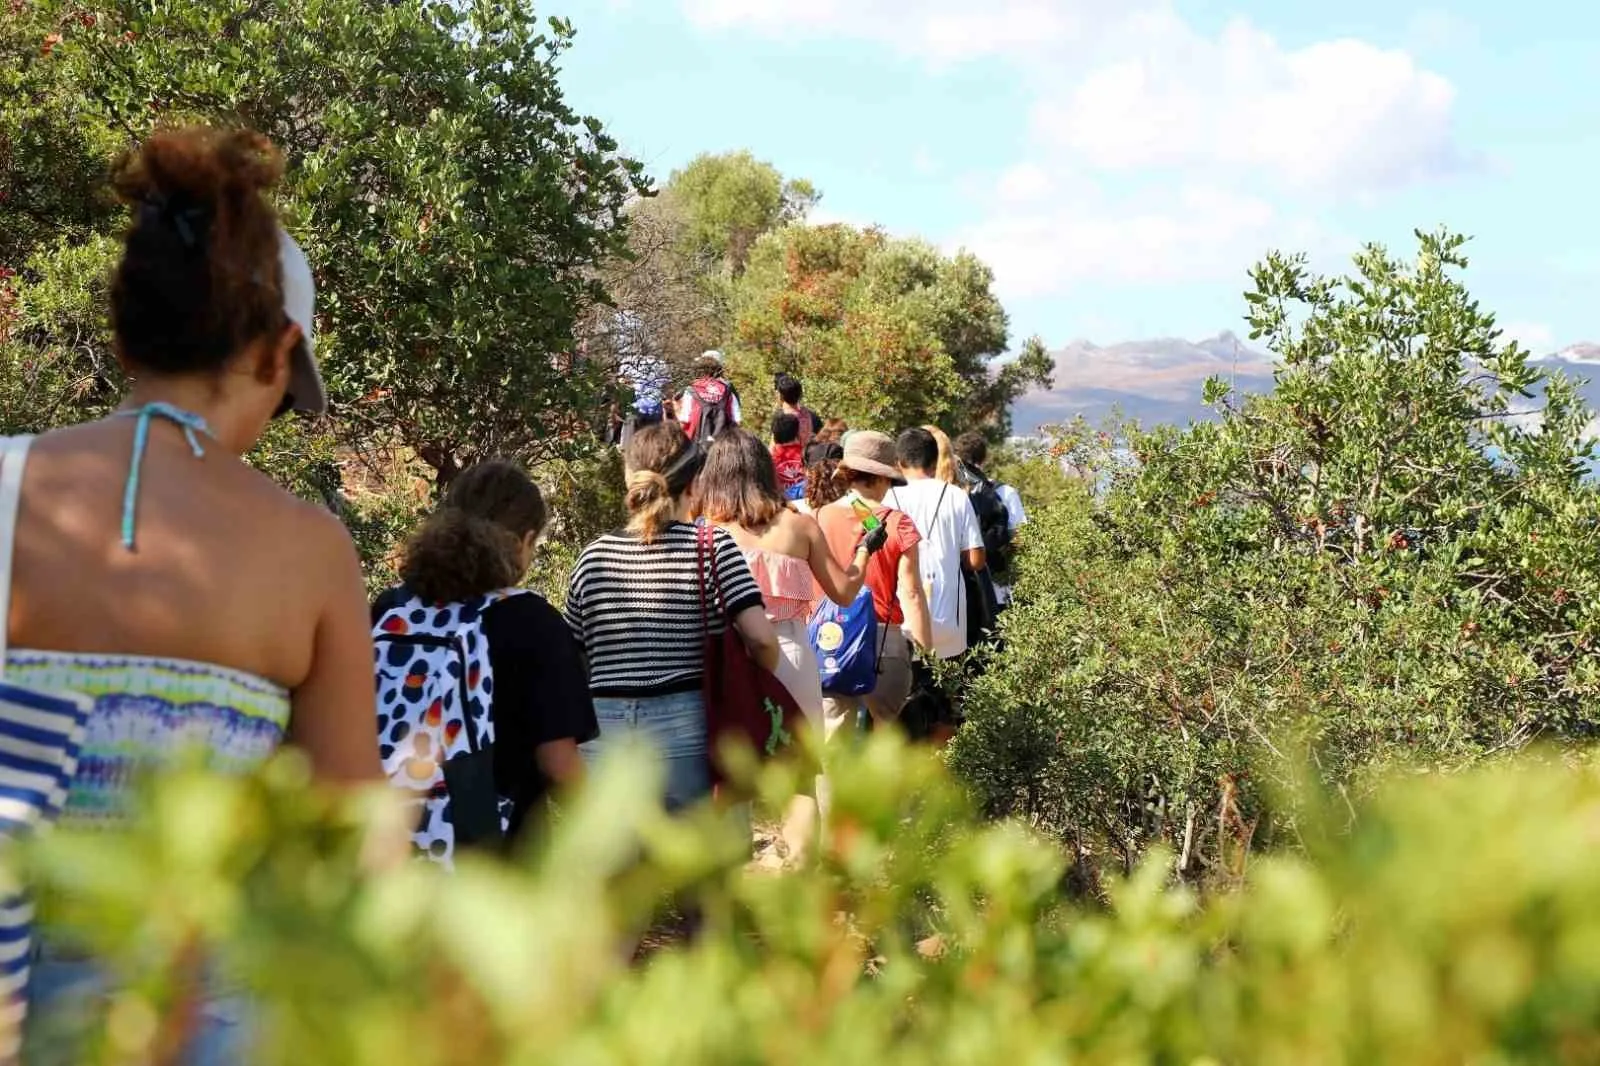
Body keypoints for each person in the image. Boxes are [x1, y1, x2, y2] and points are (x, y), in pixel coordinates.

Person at [6, 126, 380, 1064]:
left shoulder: (9, 493)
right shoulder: (311, 551)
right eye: (287, 394)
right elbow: (350, 845)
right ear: (274, 350)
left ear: (128, 324)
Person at [371, 461, 595, 864]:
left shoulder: (391, 608)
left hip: (385, 838)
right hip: (494, 856)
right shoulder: (531, 621)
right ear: (525, 541)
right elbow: (558, 761)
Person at [565, 423, 779, 813]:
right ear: (695, 485)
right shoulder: (713, 547)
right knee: (695, 860)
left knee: (620, 866)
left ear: (629, 481)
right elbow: (761, 639)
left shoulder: (593, 555)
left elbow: (574, 654)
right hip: (686, 721)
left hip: (604, 726)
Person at [696, 428, 884, 860]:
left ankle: (732, 875)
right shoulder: (800, 527)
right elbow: (842, 591)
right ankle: (802, 876)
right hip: (792, 651)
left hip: (730, 656)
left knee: (731, 767)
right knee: (801, 774)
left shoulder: (705, 532)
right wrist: (864, 551)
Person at [813, 432, 933, 737]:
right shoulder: (897, 523)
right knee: (885, 741)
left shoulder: (817, 518)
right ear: (881, 479)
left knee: (832, 741)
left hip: (832, 635)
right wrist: (925, 652)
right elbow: (911, 592)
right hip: (883, 640)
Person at [887, 428, 986, 662]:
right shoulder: (956, 496)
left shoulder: (889, 498)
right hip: (950, 619)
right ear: (935, 461)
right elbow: (976, 560)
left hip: (903, 617)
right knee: (945, 689)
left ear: (899, 462)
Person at [953, 431, 1026, 606]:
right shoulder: (1005, 492)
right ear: (984, 459)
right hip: (999, 587)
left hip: (960, 587)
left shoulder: (950, 495)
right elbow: (1021, 538)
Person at [677, 350, 742, 443]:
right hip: (723, 443)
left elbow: (684, 420)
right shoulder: (728, 389)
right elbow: (737, 420)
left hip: (696, 444)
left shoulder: (691, 389)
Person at [774, 372, 822, 450]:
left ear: (780, 396)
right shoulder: (808, 414)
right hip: (807, 457)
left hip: (789, 459)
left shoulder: (782, 418)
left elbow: (775, 447)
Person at [770, 412, 807, 502]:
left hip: (783, 504)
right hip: (806, 501)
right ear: (797, 433)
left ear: (774, 436)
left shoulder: (770, 459)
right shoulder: (806, 453)